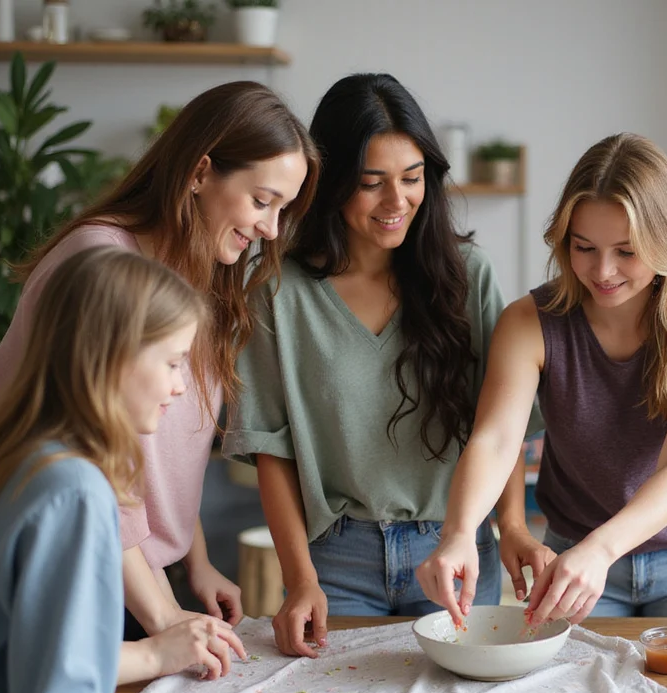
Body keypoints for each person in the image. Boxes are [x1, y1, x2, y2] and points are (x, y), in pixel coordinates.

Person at [223, 73, 536, 657]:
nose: (398, 202)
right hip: (334, 558)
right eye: (372, 184)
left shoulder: (468, 275)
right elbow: (272, 447)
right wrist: (300, 579)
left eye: (412, 178)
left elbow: (503, 425)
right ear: (331, 183)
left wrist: (512, 526)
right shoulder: (274, 289)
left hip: (455, 545)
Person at [0, 81, 320, 643]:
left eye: (282, 210)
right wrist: (163, 614)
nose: (270, 228)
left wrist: (192, 561)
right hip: (78, 570)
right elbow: (92, 461)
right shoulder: (102, 262)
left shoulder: (199, 274)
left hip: (137, 575)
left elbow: (157, 452)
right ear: (199, 173)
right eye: (262, 201)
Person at [416, 133, 667, 627]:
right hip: (573, 554)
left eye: (627, 251)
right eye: (584, 247)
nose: (603, 271)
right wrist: (460, 531)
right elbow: (495, 439)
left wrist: (602, 550)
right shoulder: (528, 321)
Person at [0, 247, 246, 693]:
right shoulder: (73, 490)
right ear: (114, 355)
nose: (181, 386)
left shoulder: (27, 457)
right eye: (174, 362)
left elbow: (39, 656)